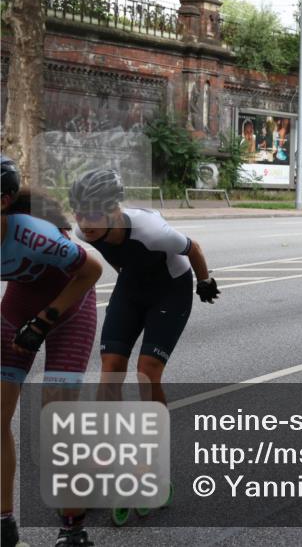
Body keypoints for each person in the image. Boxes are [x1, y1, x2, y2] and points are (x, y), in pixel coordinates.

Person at [1, 156, 103, 547]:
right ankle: (4, 522)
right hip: (18, 303)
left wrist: (43, 321)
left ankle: (73, 528)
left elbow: (91, 270)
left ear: (4, 201)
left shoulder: (31, 233)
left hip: (69, 303)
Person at [68, 169, 220, 409]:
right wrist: (125, 276)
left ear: (114, 210)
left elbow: (194, 249)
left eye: (93, 213)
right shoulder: (85, 232)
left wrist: (204, 282)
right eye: (78, 213)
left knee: (146, 373)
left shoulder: (150, 230)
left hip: (169, 291)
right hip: (131, 288)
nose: (85, 223)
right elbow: (114, 254)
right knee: (111, 368)